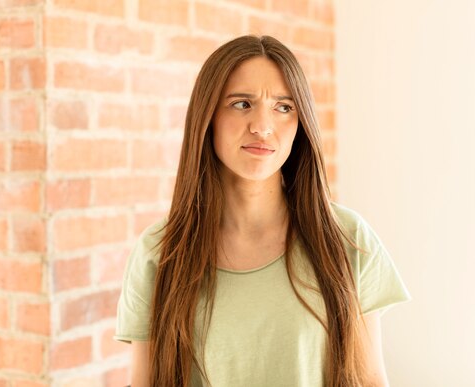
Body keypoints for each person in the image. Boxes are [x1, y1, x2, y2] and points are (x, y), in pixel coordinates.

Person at [114, 35, 410, 387]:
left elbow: (370, 381)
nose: (262, 126)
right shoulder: (160, 252)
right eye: (242, 104)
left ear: (300, 124)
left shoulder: (347, 238)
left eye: (284, 107)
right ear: (207, 115)